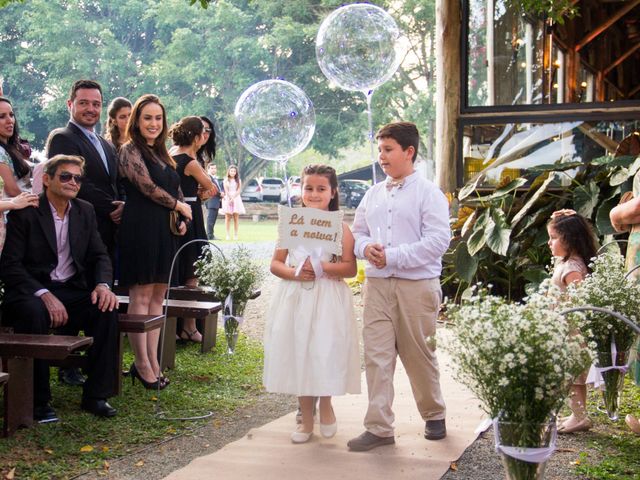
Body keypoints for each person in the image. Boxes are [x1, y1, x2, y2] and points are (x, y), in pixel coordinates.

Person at [348, 122, 450, 452]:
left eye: (388, 149)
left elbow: (438, 241)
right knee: (376, 356)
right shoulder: (373, 193)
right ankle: (379, 427)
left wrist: (392, 256)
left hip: (416, 286)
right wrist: (365, 249)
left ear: (409, 152)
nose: (381, 157)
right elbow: (357, 233)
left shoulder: (429, 193)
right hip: (376, 287)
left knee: (419, 354)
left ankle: (434, 413)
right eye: (379, 150)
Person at [0, 154, 120, 422]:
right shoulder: (27, 212)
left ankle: (96, 395)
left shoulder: (84, 210)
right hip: (32, 291)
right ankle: (39, 401)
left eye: (77, 178)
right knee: (34, 313)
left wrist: (102, 285)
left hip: (71, 289)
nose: (72, 182)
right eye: (65, 176)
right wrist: (44, 294)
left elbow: (100, 255)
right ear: (47, 179)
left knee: (106, 309)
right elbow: (10, 266)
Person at [263, 164, 360, 444]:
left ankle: (326, 404)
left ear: (333, 192)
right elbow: (275, 263)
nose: (314, 194)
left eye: (321, 189)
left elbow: (350, 268)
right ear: (300, 190)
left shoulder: (341, 228)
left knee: (323, 350)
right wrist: (295, 272)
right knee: (300, 351)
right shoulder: (290, 224)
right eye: (308, 188)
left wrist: (322, 266)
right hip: (296, 296)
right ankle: (306, 419)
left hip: (327, 297)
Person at [118, 94, 192, 389]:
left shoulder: (164, 154)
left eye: (158, 118)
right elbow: (146, 187)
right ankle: (141, 363)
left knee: (159, 297)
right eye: (147, 117)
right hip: (140, 227)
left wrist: (183, 216)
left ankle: (153, 360)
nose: (153, 123)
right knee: (141, 295)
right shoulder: (129, 150)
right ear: (137, 120)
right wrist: (178, 206)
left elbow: (176, 189)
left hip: (165, 231)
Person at [47, 80, 124, 260]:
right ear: (70, 104)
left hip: (110, 231)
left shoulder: (107, 145)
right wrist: (112, 209)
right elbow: (75, 182)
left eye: (96, 104)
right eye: (83, 103)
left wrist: (123, 205)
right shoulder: (63, 138)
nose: (90, 109)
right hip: (80, 227)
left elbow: (117, 180)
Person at [547, 209, 598, 433]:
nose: (549, 242)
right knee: (570, 377)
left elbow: (581, 299)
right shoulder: (566, 261)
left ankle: (580, 417)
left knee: (573, 378)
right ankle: (577, 414)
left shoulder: (571, 268)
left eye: (554, 238)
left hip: (572, 332)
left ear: (570, 239)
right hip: (565, 329)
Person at [169, 116, 217, 343]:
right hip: (191, 213)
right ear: (196, 137)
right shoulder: (191, 161)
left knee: (179, 268)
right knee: (192, 270)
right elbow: (210, 187)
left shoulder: (170, 152)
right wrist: (203, 191)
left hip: (173, 212)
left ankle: (178, 326)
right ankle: (188, 327)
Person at [0, 97, 32, 196]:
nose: (10, 121)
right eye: (1, 116)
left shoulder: (10, 147)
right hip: (15, 209)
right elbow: (11, 190)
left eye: (11, 115)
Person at [220, 165, 245, 240]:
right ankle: (227, 234)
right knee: (227, 217)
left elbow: (239, 190)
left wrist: (233, 197)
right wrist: (230, 198)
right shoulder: (225, 180)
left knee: (236, 217)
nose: (233, 172)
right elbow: (226, 190)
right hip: (228, 198)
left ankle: (235, 235)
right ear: (229, 171)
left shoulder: (238, 180)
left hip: (236, 198)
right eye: (231, 171)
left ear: (236, 172)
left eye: (234, 171)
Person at [205, 163, 222, 240]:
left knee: (213, 219)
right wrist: (220, 194)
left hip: (216, 201)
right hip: (211, 200)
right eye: (211, 168)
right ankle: (209, 235)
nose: (213, 170)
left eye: (214, 168)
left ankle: (211, 234)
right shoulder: (208, 178)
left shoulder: (215, 178)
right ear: (208, 169)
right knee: (210, 219)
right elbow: (212, 188)